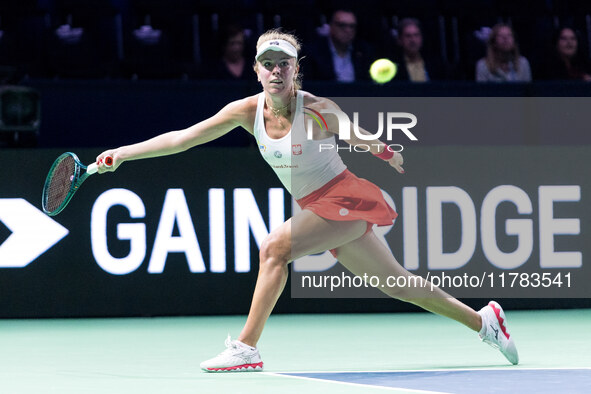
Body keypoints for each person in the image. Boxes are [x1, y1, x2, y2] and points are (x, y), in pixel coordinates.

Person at [95, 29, 519, 372]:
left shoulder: (316, 108)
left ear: (296, 69)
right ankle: (485, 322)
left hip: (344, 197)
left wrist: (385, 151)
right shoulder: (245, 111)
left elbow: (353, 132)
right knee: (399, 285)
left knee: (274, 248)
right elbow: (181, 138)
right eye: (268, 63)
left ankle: (246, 348)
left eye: (284, 63)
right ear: (257, 71)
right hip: (319, 205)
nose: (276, 70)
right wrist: (124, 153)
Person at [303, 9, 374, 82]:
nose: (348, 30)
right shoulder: (313, 52)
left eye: (352, 26)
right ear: (331, 26)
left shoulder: (364, 51)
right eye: (342, 25)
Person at [393, 18, 444, 82]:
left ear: (421, 38)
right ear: (400, 40)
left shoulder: (435, 64)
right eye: (408, 36)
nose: (413, 40)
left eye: (416, 35)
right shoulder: (395, 67)